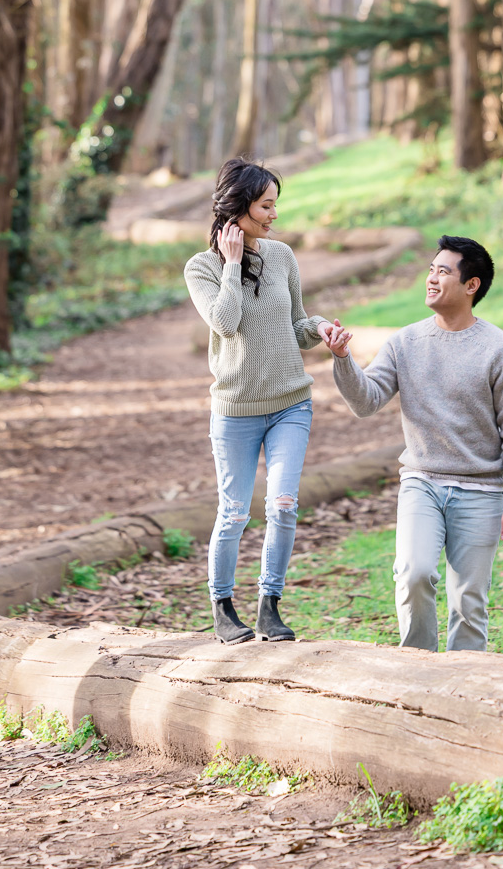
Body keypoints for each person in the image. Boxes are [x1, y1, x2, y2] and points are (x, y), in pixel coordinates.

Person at [326, 235, 503, 653]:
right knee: (413, 572)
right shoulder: (405, 343)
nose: (432, 278)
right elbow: (366, 401)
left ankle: (462, 685)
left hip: (482, 490)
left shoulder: (500, 350)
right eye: (430, 270)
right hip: (422, 481)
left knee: (469, 601)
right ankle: (416, 666)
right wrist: (344, 360)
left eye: (443, 271)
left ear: (471, 285)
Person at [184, 157, 339, 646]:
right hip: (235, 411)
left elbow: (295, 329)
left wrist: (318, 327)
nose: (274, 215)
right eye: (266, 205)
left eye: (276, 205)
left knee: (284, 503)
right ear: (239, 207)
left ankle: (270, 606)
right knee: (233, 512)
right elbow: (225, 322)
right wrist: (233, 264)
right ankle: (222, 608)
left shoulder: (283, 257)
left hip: (290, 403)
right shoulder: (202, 268)